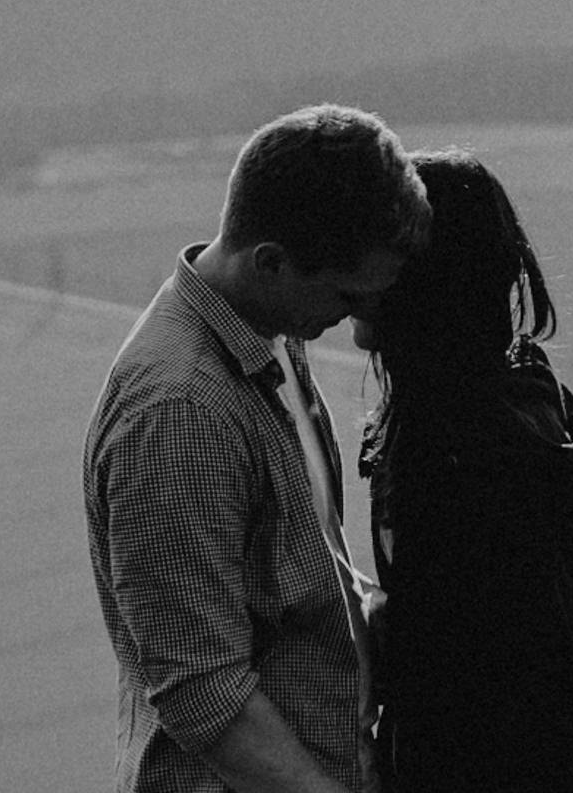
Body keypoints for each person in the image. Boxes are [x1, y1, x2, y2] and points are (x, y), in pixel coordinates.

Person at [86, 105, 431, 793]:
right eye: (344, 292)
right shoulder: (180, 412)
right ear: (270, 261)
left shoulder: (272, 335)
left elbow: (298, 584)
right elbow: (203, 690)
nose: (358, 318)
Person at [356, 149, 573, 793]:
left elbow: (480, 695)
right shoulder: (522, 394)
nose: (353, 270)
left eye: (375, 249)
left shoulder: (450, 453)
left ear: (419, 277)